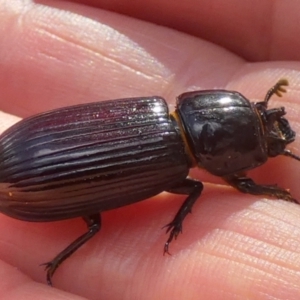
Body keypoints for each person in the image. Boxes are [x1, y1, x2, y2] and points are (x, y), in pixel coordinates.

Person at [0, 0, 300, 299]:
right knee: (97, 226)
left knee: (98, 225)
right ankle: (54, 263)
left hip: (27, 149)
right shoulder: (176, 165)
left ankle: (54, 264)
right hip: (31, 185)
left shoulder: (153, 107)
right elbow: (242, 186)